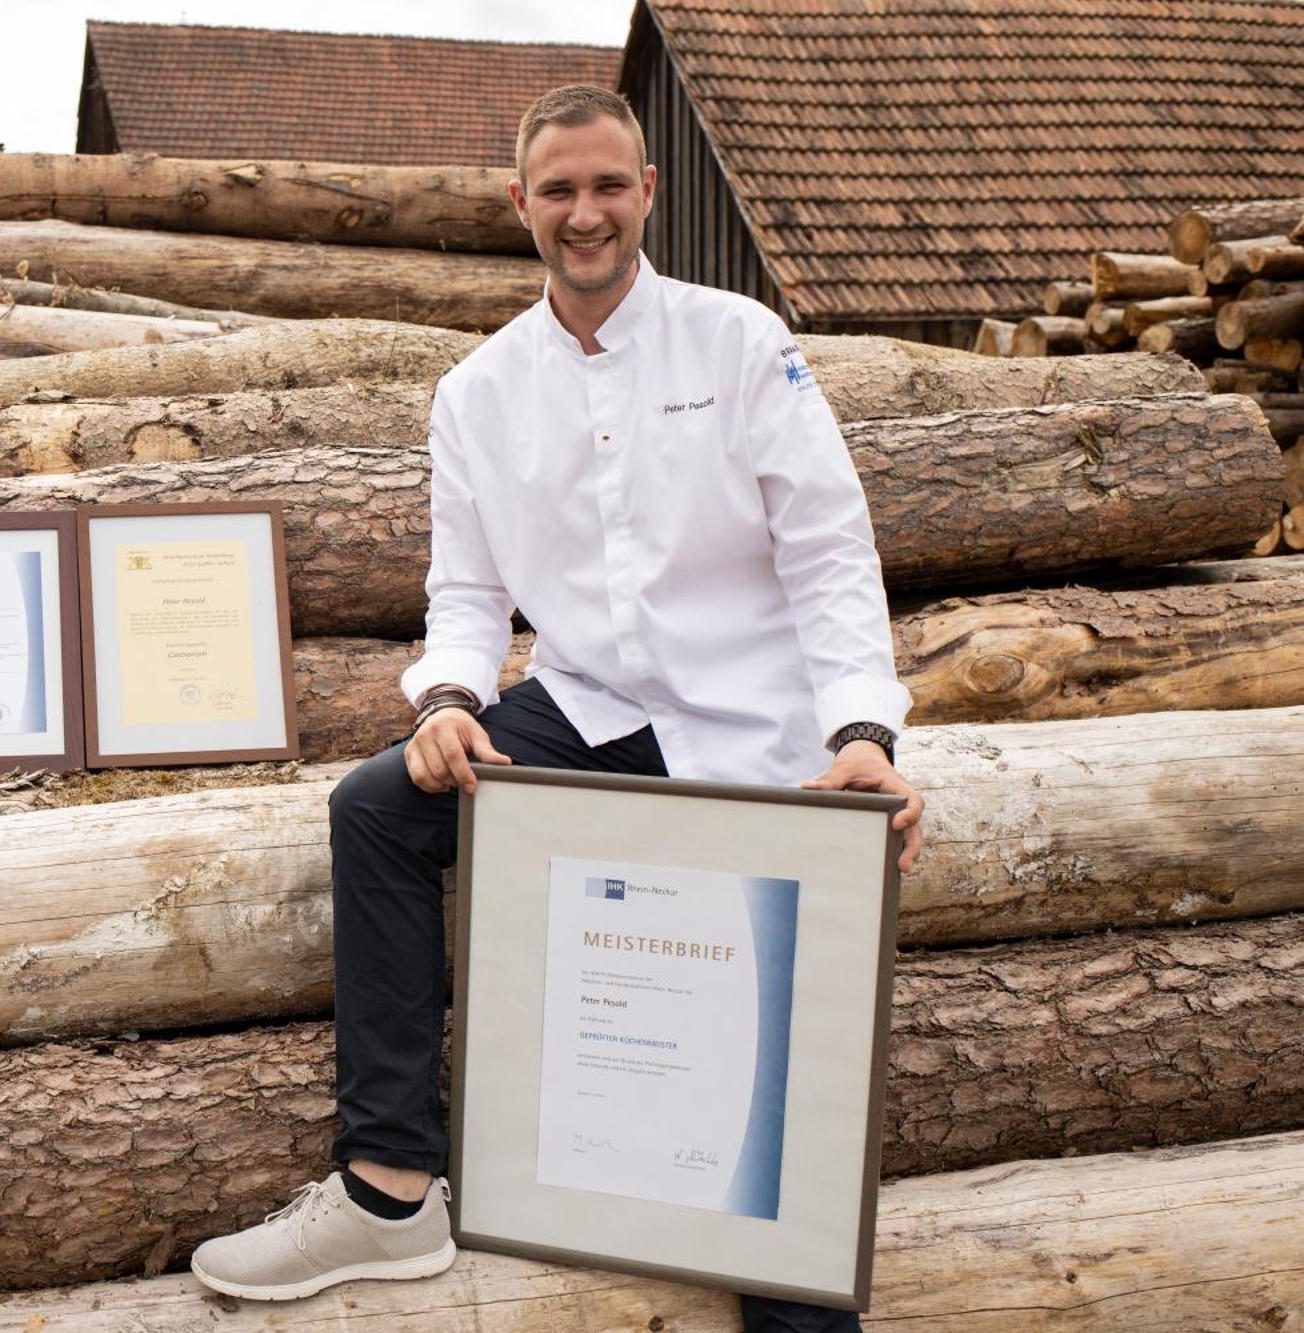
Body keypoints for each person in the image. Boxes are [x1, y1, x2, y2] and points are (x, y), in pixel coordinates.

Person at [189, 84, 925, 1332]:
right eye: (557, 190)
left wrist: (861, 733)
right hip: (582, 711)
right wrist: (450, 696)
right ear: (518, 204)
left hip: (751, 728)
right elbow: (465, 592)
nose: (583, 214)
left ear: (647, 191)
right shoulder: (475, 392)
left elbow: (829, 556)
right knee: (377, 808)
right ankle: (387, 1191)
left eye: (606, 186)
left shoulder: (741, 343)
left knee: (768, 1149)